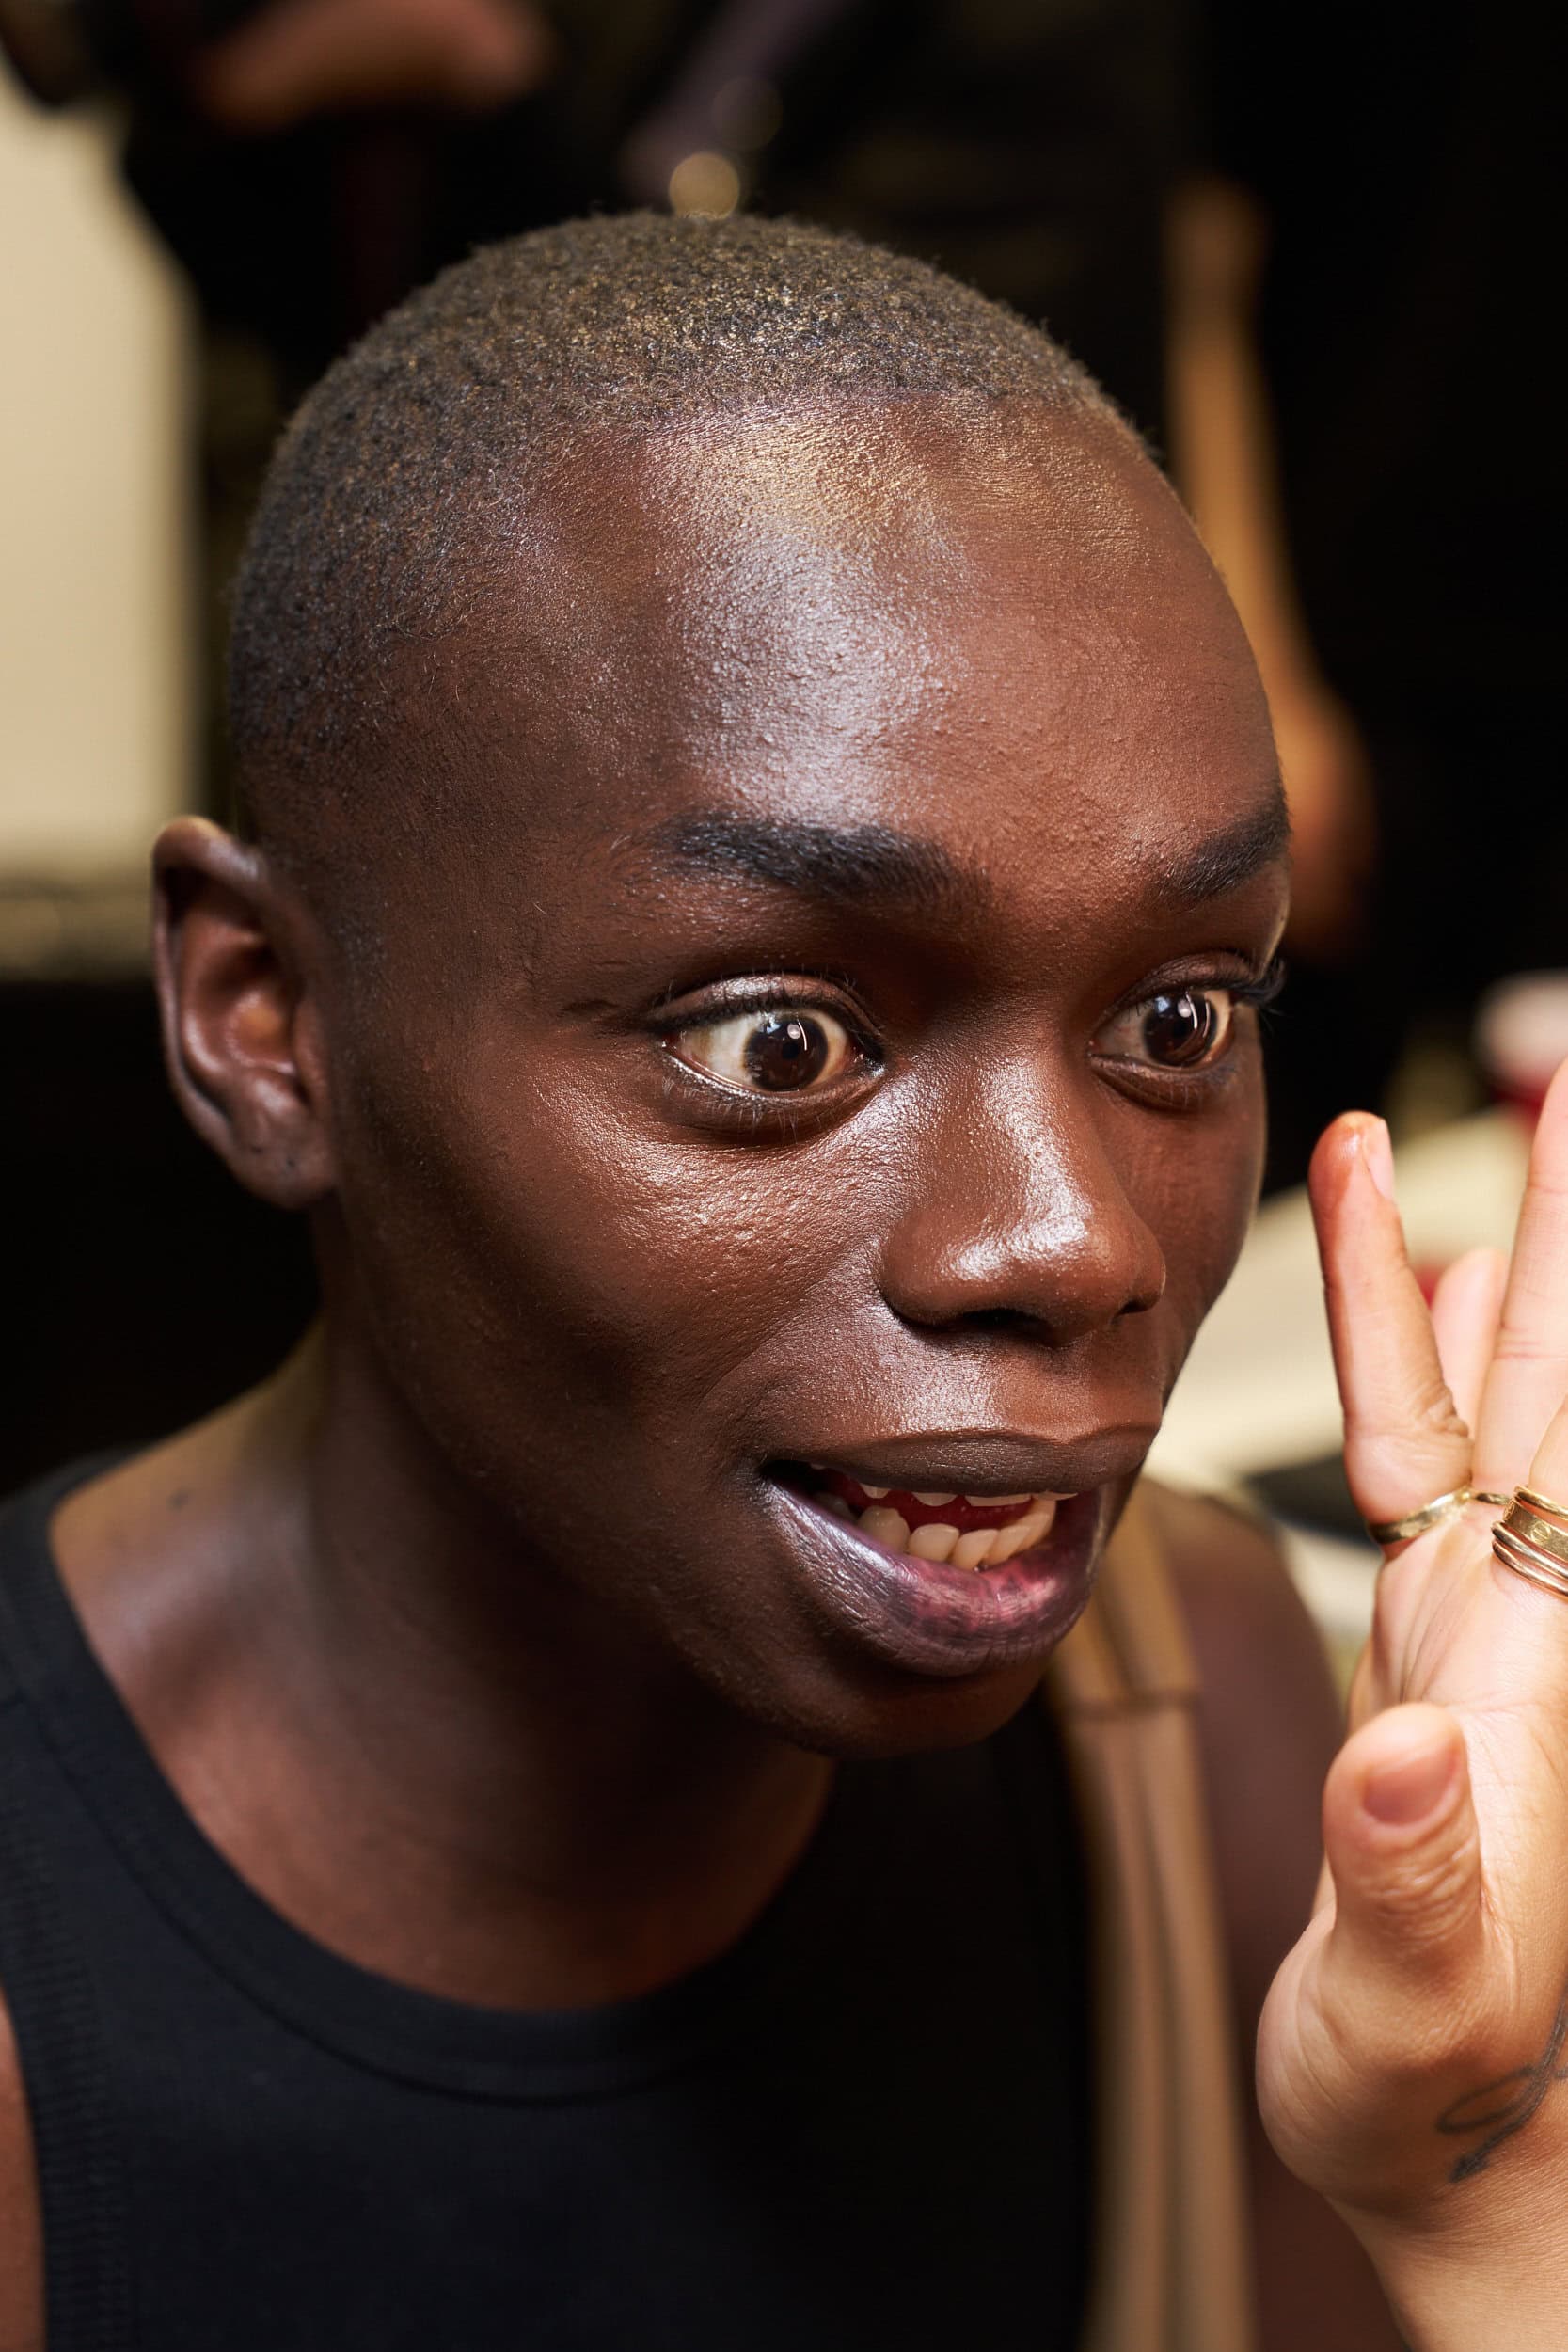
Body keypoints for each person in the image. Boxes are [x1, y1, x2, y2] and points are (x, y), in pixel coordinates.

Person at [0, 212, 1560, 2350]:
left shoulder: (1196, 1720)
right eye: (781, 1044)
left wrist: (1496, 2193)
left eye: (1181, 1018)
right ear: (268, 1021)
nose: (1075, 1239)